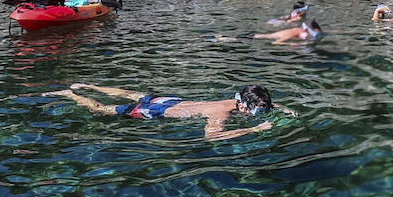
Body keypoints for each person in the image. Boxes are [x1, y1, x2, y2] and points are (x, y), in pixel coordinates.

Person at [46, 82, 284, 141]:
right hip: (155, 112)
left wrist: (282, 109)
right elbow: (211, 137)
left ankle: (89, 85)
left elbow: (261, 104)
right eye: (257, 112)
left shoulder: (237, 101)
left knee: (131, 93)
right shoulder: (220, 115)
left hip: (173, 101)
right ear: (243, 106)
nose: (260, 114)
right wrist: (254, 128)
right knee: (100, 109)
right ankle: (71, 94)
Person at [256, 19, 322, 44]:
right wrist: (291, 44)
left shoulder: (302, 30)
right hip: (256, 38)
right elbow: (275, 42)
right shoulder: (294, 33)